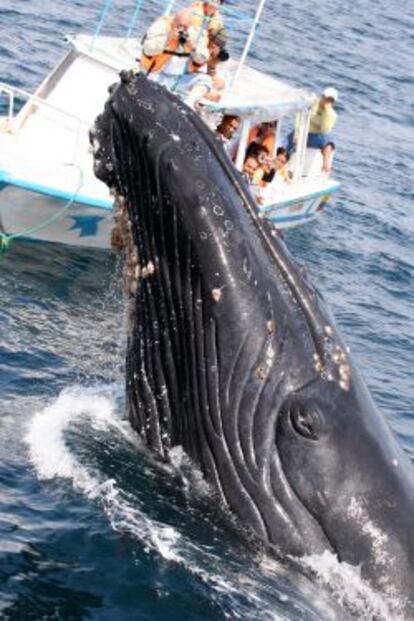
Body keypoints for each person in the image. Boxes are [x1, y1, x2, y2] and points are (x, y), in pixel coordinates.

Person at [140, 9, 210, 91]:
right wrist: (168, 38)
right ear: (174, 20)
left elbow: (203, 59)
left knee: (205, 80)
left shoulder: (195, 34)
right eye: (180, 26)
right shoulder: (161, 26)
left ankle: (189, 102)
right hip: (155, 73)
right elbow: (148, 49)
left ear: (190, 25)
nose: (182, 30)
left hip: (178, 78)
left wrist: (193, 48)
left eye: (186, 27)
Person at [287, 87, 338, 174]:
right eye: (326, 98)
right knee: (284, 142)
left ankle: (325, 165)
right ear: (322, 96)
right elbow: (299, 116)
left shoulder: (332, 115)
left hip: (315, 137)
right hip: (302, 131)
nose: (327, 101)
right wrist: (297, 133)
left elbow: (324, 129)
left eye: (330, 100)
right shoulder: (313, 102)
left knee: (328, 141)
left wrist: (326, 112)